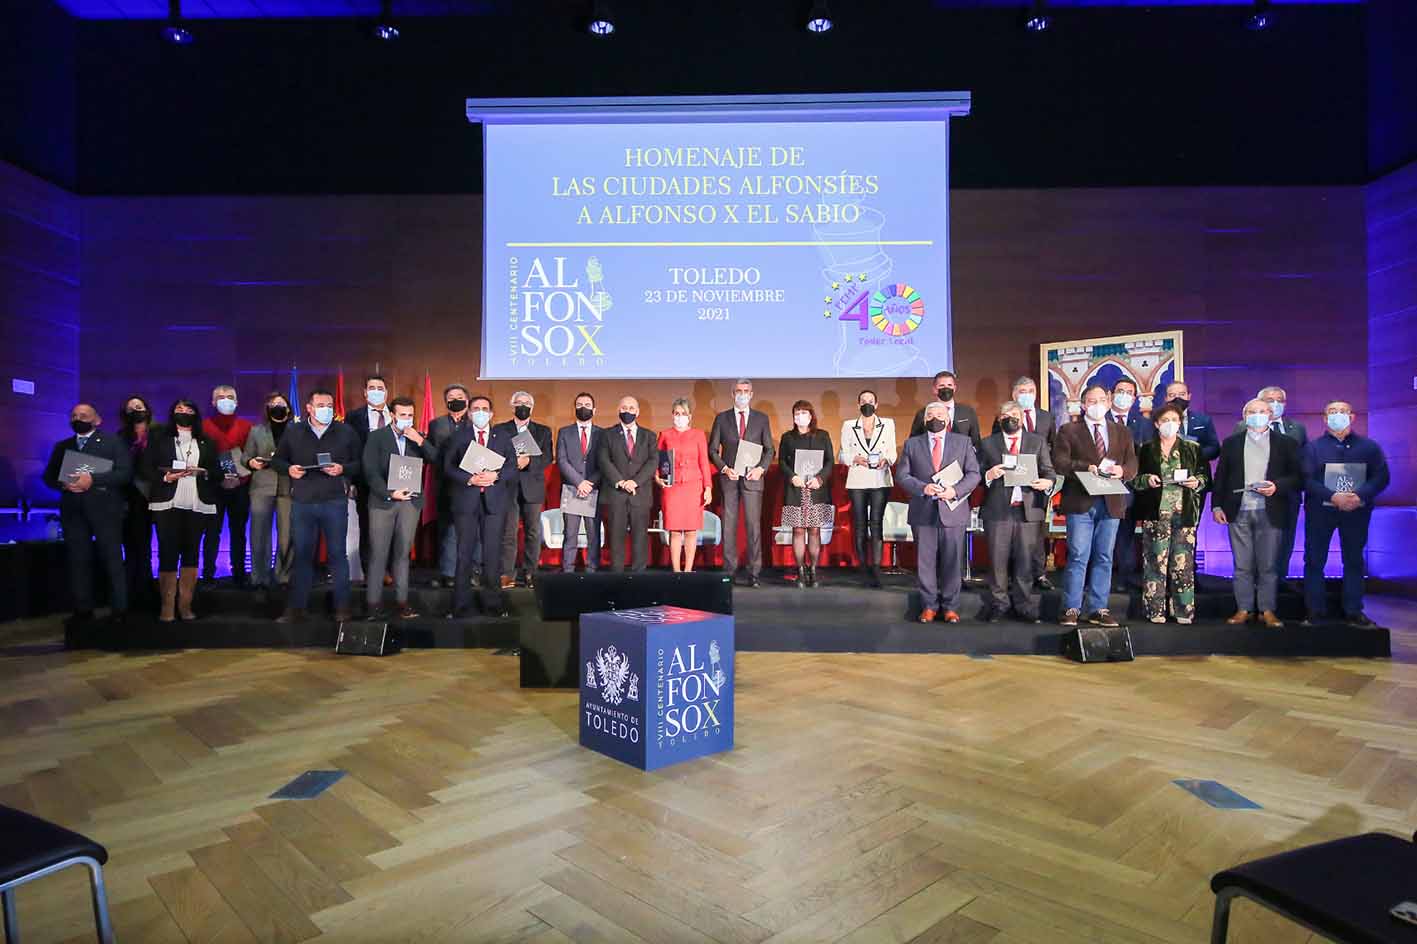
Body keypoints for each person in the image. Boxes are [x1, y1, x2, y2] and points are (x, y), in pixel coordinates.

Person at [272, 389, 362, 623]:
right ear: (309, 408)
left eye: (330, 405)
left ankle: (342, 609)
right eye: (321, 404)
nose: (327, 409)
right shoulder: (293, 431)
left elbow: (360, 463)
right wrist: (289, 469)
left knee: (337, 555)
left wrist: (343, 469)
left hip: (334, 502)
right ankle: (296, 608)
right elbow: (278, 461)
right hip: (303, 502)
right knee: (302, 556)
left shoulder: (346, 431)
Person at [1052, 384, 1138, 628]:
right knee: (1078, 555)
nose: (1097, 404)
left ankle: (1098, 608)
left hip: (1111, 502)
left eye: (1101, 400)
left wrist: (1123, 471)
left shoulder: (1122, 432)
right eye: (1091, 401)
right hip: (1080, 501)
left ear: (1109, 402)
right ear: (1083, 404)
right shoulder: (1069, 430)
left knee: (1104, 556)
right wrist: (1084, 467)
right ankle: (1071, 607)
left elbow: (1132, 464)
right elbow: (1060, 462)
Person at [1213, 399, 1302, 627]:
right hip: (1238, 510)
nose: (1257, 415)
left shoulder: (1286, 443)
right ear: (1244, 416)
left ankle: (1267, 610)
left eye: (1262, 411)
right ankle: (1243, 608)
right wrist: (1216, 506)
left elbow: (1298, 477)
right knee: (1242, 565)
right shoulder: (1232, 443)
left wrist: (1277, 487)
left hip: (1270, 510)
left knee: (1268, 565)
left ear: (1271, 415)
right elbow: (1221, 476)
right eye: (1252, 411)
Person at [1301, 401, 1389, 628]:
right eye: (1332, 412)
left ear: (1352, 417)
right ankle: (1315, 611)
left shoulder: (1370, 447)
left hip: (1356, 512)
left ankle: (1353, 611)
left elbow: (1381, 477)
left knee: (1353, 560)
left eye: (1343, 411)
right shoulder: (1313, 448)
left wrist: (1360, 496)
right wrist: (1333, 497)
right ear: (1324, 418)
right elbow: (1306, 480)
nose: (1337, 415)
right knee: (1314, 560)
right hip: (1321, 512)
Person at [43, 402, 132, 626]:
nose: (77, 418)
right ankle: (83, 609)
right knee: (78, 561)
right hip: (73, 511)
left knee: (112, 560)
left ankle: (119, 609)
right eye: (73, 415)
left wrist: (93, 479)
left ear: (97, 419)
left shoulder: (113, 443)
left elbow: (124, 474)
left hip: (105, 510)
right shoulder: (62, 446)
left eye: (83, 415)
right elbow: (49, 477)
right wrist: (63, 483)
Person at [896, 400, 981, 622]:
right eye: (930, 414)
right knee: (925, 563)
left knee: (953, 562)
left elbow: (974, 474)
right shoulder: (912, 444)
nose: (935, 418)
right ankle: (929, 606)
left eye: (940, 414)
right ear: (924, 420)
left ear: (948, 419)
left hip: (953, 511)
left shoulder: (963, 443)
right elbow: (902, 476)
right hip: (923, 512)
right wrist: (922, 487)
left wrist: (955, 490)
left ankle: (951, 607)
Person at [1130, 405, 1209, 624]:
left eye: (1175, 419)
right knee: (1155, 562)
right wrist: (1147, 480)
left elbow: (1205, 477)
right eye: (1165, 420)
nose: (1170, 423)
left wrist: (1197, 482)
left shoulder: (1192, 448)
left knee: (1182, 564)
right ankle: (1155, 610)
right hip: (1155, 513)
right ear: (1156, 424)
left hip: (1184, 514)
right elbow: (1134, 479)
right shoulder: (1145, 449)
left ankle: (1183, 610)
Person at [144, 399, 221, 621]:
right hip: (167, 502)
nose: (184, 413)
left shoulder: (207, 441)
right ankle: (167, 607)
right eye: (179, 409)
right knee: (168, 551)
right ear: (172, 413)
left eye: (189, 410)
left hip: (197, 502)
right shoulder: (159, 439)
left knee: (191, 552)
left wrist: (204, 471)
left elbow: (217, 473)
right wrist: (165, 476)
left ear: (196, 415)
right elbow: (145, 468)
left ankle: (185, 606)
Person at [979, 400, 1055, 623]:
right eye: (1005, 414)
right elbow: (977, 473)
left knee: (1025, 560)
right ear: (999, 418)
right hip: (997, 510)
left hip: (1028, 510)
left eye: (1014, 414)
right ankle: (999, 604)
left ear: (1022, 417)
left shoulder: (1037, 442)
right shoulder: (988, 444)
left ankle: (1024, 606)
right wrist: (989, 475)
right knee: (997, 561)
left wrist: (1046, 483)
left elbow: (1049, 472)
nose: (1010, 418)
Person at [442, 395, 518, 617]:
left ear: (492, 414)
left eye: (485, 409)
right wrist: (470, 479)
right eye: (476, 409)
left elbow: (512, 467)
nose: (481, 412)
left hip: (494, 503)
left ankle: (493, 604)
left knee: (492, 554)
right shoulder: (459, 436)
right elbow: (448, 467)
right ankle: (461, 605)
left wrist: (496, 475)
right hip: (466, 500)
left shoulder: (503, 437)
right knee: (464, 553)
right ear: (469, 413)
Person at [363, 396, 437, 620]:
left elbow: (437, 459)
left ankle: (402, 602)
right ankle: (373, 604)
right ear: (392, 415)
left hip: (410, 503)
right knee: (378, 553)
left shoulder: (418, 438)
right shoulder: (377, 437)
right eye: (402, 415)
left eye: (410, 415)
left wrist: (421, 441)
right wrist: (388, 493)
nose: (407, 419)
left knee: (403, 554)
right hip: (383, 503)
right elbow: (370, 470)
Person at [989, 377, 1059, 591]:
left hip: (1036, 485)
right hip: (1008, 487)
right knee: (1009, 539)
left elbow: (1052, 447)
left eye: (1031, 390)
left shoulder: (1046, 417)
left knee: (1036, 533)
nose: (1027, 394)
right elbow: (995, 449)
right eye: (1022, 391)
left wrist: (1048, 480)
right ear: (1014, 394)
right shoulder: (1003, 418)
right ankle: (1010, 578)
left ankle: (1039, 573)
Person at [1233, 386, 1308, 584]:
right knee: (1253, 547)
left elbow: (1302, 465)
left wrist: (1283, 485)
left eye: (1279, 400)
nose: (1274, 404)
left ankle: (1279, 585)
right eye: (1269, 399)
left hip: (1287, 496)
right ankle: (1254, 589)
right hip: (1252, 498)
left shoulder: (1297, 429)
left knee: (1284, 542)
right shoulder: (1242, 427)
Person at [707, 379, 774, 588]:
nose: (742, 394)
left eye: (746, 391)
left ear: (751, 394)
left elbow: (770, 449)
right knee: (729, 526)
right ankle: (729, 571)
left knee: (754, 526)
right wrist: (725, 468)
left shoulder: (761, 419)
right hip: (730, 478)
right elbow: (712, 450)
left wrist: (760, 468)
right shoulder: (722, 418)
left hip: (753, 479)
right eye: (738, 391)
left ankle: (754, 572)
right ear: (732, 394)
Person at [494, 390, 553, 589]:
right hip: (507, 486)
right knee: (508, 532)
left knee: (533, 532)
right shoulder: (501, 429)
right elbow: (495, 454)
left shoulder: (543, 431)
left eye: (527, 402)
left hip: (532, 487)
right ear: (512, 406)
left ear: (532, 407)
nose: (523, 405)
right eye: (519, 402)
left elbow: (546, 457)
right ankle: (507, 573)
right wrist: (513, 462)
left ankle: (530, 573)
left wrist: (528, 460)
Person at [839, 388, 897, 587]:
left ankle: (876, 567)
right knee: (860, 523)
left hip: (880, 478)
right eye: (863, 400)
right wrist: (854, 458)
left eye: (870, 400)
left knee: (876, 523)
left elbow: (892, 451)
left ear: (876, 404)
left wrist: (886, 460)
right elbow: (842, 455)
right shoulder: (848, 426)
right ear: (858, 405)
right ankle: (863, 566)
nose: (867, 403)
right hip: (857, 479)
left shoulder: (888, 424)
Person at [778, 401, 836, 588]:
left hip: (816, 489)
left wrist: (820, 479)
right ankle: (800, 569)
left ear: (811, 416)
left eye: (804, 412)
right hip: (796, 489)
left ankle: (813, 569)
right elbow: (782, 462)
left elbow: (829, 461)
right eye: (797, 413)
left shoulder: (822, 436)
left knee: (814, 530)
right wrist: (792, 476)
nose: (800, 416)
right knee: (798, 530)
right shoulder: (788, 437)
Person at [243, 392, 294, 597]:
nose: (277, 406)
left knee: (287, 535)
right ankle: (259, 578)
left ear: (289, 409)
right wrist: (251, 462)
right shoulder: (256, 431)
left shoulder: (296, 431)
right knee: (259, 534)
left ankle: (284, 576)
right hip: (262, 485)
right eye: (273, 403)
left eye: (281, 403)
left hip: (288, 486)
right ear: (267, 408)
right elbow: (246, 456)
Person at [201, 385, 253, 587]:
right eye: (221, 397)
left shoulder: (247, 426)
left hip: (240, 487)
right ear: (213, 403)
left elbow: (250, 457)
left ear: (237, 402)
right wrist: (219, 478)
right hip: (213, 487)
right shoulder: (203, 426)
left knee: (238, 531)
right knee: (212, 532)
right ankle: (207, 575)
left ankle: (239, 574)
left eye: (230, 397)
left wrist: (239, 479)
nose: (226, 400)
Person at [598, 396, 656, 572]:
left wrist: (635, 482)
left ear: (637, 412)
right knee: (616, 539)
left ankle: (639, 578)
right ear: (618, 410)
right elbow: (603, 460)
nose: (627, 411)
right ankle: (617, 579)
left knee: (640, 539)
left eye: (631, 408)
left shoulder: (649, 436)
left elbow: (653, 462)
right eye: (624, 408)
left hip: (640, 495)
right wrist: (621, 482)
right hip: (616, 495)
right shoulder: (607, 434)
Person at [656, 398, 714, 573]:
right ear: (672, 415)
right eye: (676, 413)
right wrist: (657, 477)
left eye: (683, 414)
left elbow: (704, 462)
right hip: (672, 487)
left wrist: (708, 487)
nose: (680, 417)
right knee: (674, 531)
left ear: (690, 416)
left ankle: (687, 571)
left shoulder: (698, 434)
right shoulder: (665, 434)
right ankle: (676, 572)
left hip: (693, 486)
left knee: (691, 531)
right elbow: (657, 461)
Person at [346, 375, 393, 583]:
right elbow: (349, 451)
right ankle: (369, 572)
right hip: (365, 481)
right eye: (372, 388)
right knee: (367, 526)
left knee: (391, 527)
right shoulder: (353, 417)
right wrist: (352, 481)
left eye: (380, 388)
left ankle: (388, 570)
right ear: (365, 393)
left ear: (387, 392)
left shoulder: (397, 414)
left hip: (394, 481)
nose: (376, 391)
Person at [1107, 377, 1152, 592]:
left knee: (1124, 534)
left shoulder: (1144, 424)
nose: (1124, 395)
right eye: (1120, 390)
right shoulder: (1096, 420)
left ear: (1134, 398)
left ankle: (1123, 579)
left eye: (1128, 392)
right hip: (1098, 486)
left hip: (1129, 487)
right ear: (1111, 394)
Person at [429, 383, 472, 589]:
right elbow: (432, 453)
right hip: (444, 484)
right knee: (445, 529)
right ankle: (447, 572)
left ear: (467, 400)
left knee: (469, 531)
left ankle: (471, 571)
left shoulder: (475, 423)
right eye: (451, 396)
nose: (455, 399)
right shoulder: (436, 424)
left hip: (470, 485)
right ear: (446, 402)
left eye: (459, 396)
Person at [556, 392, 604, 572]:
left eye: (587, 404)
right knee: (570, 534)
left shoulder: (602, 434)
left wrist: (589, 483)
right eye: (579, 404)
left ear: (594, 409)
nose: (583, 407)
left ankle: (592, 570)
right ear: (574, 408)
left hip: (594, 489)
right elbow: (561, 460)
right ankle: (567, 570)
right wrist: (579, 482)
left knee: (593, 534)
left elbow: (604, 462)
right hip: (571, 488)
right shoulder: (564, 432)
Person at [117, 395, 156, 611]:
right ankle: (133, 594)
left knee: (149, 547)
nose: (135, 411)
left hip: (157, 494)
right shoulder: (120, 437)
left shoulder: (158, 433)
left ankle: (149, 593)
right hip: (130, 498)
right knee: (134, 548)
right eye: (131, 408)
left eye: (139, 407)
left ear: (147, 410)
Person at [910, 370, 982, 449]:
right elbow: (914, 443)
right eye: (941, 386)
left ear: (954, 388)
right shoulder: (923, 414)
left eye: (949, 385)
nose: (946, 388)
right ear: (934, 389)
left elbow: (976, 443)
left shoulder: (968, 412)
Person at [1162, 381, 1220, 463]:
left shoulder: (1203, 420)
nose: (1177, 398)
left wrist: (1194, 454)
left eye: (1182, 394)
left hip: (1198, 471)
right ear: (1166, 398)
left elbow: (1214, 448)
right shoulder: (1158, 421)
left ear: (1189, 396)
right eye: (1172, 395)